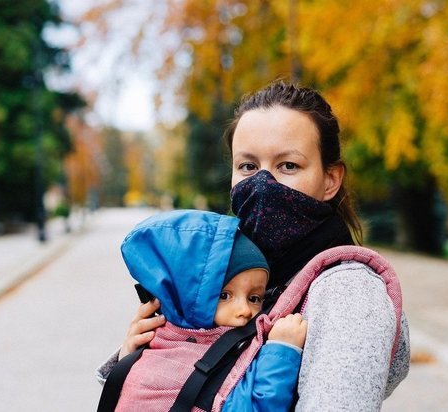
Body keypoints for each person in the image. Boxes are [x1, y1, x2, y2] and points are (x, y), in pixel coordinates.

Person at [99, 81, 410, 410]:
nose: (263, 184)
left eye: (288, 165)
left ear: (330, 179)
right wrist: (140, 357)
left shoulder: (349, 292)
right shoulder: (231, 268)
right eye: (248, 166)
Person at [101, 209, 307, 411]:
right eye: (224, 295)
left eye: (254, 298)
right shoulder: (165, 362)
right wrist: (282, 350)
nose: (245, 310)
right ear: (186, 296)